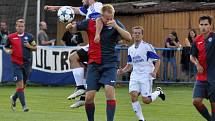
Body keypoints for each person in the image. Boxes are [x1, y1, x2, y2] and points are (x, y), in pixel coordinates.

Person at [67, 4, 132, 121]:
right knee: (89, 98)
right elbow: (74, 28)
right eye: (107, 18)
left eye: (111, 17)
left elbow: (129, 37)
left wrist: (116, 26)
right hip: (94, 65)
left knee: (109, 91)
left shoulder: (115, 23)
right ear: (101, 15)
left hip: (110, 64)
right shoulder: (90, 22)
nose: (109, 20)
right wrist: (70, 27)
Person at [117, 26, 165, 121]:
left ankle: (158, 92)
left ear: (142, 35)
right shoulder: (130, 49)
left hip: (146, 75)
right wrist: (122, 70)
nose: (137, 34)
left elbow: (158, 60)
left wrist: (154, 72)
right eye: (135, 33)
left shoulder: (147, 47)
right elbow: (130, 65)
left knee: (146, 100)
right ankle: (141, 119)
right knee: (133, 95)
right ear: (132, 35)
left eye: (139, 33)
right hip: (135, 75)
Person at [4, 19, 37, 112]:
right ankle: (24, 106)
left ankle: (14, 98)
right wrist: (8, 51)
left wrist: (29, 47)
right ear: (16, 27)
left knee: (23, 86)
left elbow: (35, 48)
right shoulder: (11, 37)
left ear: (24, 27)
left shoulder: (30, 37)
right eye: (18, 26)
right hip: (16, 64)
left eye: (22, 26)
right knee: (20, 85)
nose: (20, 28)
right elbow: (5, 47)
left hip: (27, 64)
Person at [190, 15, 215, 121]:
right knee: (196, 101)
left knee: (213, 105)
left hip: (213, 77)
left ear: (210, 26)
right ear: (198, 26)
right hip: (201, 77)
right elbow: (192, 56)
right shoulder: (197, 40)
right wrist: (197, 64)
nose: (203, 27)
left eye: (206, 24)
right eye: (201, 25)